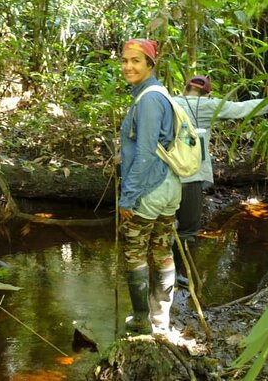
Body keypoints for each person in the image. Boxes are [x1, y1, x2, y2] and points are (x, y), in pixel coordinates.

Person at [172, 75, 268, 286]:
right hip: (191, 176)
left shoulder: (170, 102)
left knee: (162, 225)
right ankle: (174, 273)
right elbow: (243, 108)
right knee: (187, 229)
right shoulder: (211, 106)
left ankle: (158, 273)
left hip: (166, 174)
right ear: (207, 93)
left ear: (185, 89)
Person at [118, 38, 182, 335]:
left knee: (135, 253)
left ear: (150, 64)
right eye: (125, 60)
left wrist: (128, 198)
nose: (128, 66)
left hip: (150, 188)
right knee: (161, 249)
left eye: (136, 61)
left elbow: (145, 154)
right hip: (169, 186)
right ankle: (161, 321)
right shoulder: (157, 94)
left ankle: (142, 320)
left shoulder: (148, 99)